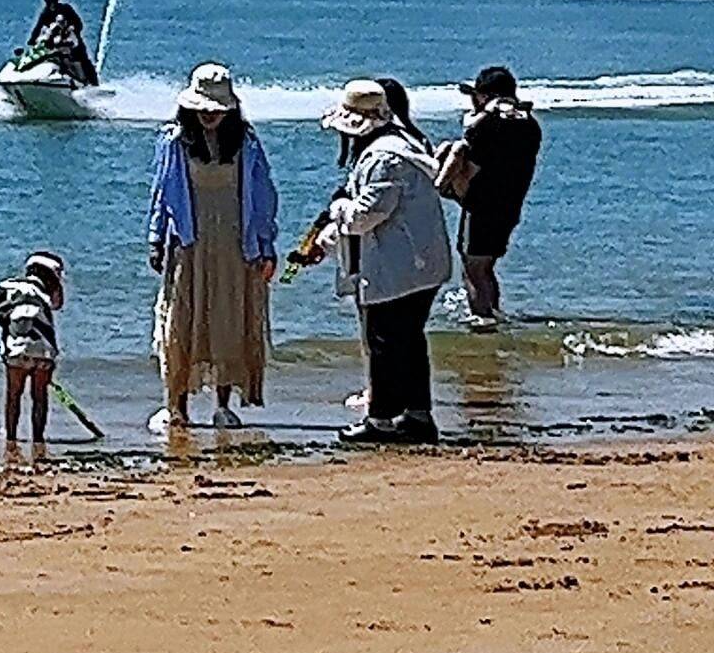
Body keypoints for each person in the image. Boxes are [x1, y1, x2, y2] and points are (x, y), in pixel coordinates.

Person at [307, 78, 453, 444]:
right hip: (420, 263)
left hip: (400, 265)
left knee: (384, 342)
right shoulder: (403, 145)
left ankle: (381, 420)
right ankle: (417, 416)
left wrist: (337, 208)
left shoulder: (383, 157)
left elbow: (365, 216)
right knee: (408, 341)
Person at [146, 63, 278, 434]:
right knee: (181, 323)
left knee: (228, 320)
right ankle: (176, 405)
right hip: (189, 243)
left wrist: (266, 246)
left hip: (236, 245)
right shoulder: (173, 142)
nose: (209, 114)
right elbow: (162, 195)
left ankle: (223, 404)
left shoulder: (247, 143)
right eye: (203, 108)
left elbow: (264, 197)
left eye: (217, 109)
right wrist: (156, 239)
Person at [443, 64, 543, 325]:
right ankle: (493, 316)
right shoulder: (530, 125)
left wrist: (444, 186)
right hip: (510, 205)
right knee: (486, 267)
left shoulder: (486, 125)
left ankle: (483, 322)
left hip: (481, 205)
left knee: (474, 268)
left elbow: (472, 167)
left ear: (485, 96)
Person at [0, 251, 66, 450]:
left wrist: (2, 317)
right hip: (44, 351)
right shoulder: (45, 294)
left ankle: (11, 436)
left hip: (17, 349)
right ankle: (38, 438)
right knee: (40, 397)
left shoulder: (10, 285)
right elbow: (57, 304)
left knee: (14, 394)